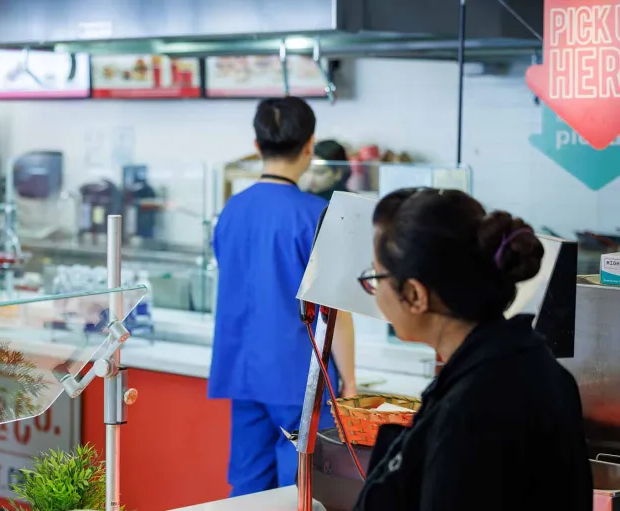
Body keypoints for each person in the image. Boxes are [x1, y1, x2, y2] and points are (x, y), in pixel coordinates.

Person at [354, 188, 591, 511]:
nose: (374, 290)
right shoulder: (535, 368)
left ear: (414, 294)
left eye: (376, 276)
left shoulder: (469, 413)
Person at [209, 97, 356, 497]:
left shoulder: (231, 210)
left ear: (257, 146)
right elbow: (334, 309)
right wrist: (352, 382)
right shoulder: (317, 214)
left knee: (249, 490)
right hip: (299, 377)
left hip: (244, 372)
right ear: (310, 145)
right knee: (302, 489)